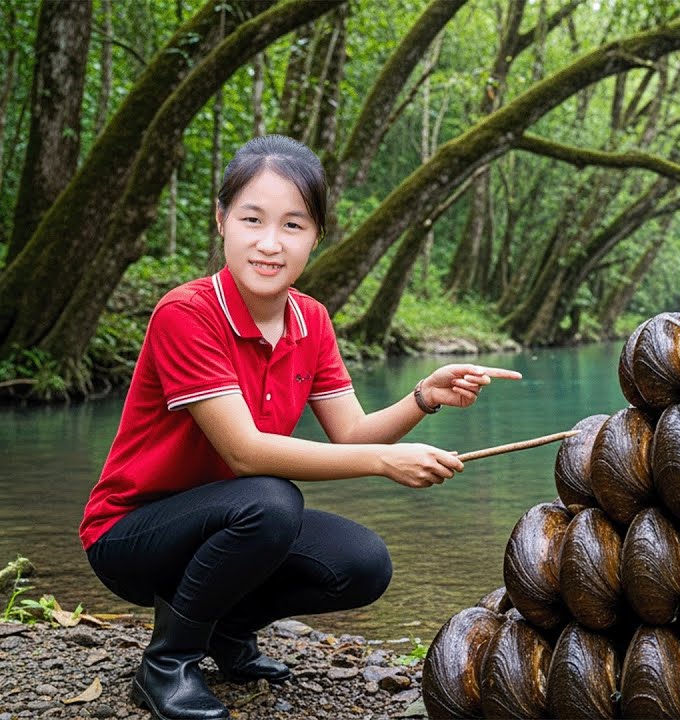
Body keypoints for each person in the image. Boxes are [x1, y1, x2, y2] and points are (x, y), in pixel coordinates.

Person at [80, 135, 521, 720]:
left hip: (228, 524)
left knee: (361, 562)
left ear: (316, 236)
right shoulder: (185, 314)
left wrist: (423, 397)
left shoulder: (309, 320)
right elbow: (244, 453)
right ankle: (168, 663)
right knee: (270, 501)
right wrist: (388, 463)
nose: (269, 243)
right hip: (131, 535)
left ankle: (225, 631)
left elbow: (352, 434)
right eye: (252, 220)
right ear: (221, 221)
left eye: (293, 225)